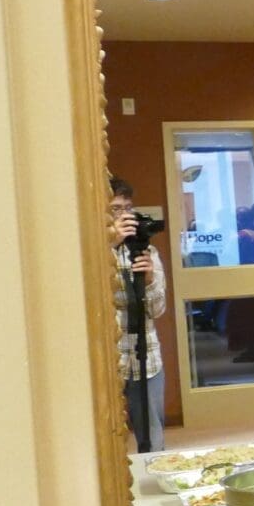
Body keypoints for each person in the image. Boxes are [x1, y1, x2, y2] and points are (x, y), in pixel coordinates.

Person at [108, 177, 168, 453]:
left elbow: (157, 310)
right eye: (116, 209)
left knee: (152, 436)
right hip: (109, 360)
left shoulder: (146, 251)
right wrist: (109, 244)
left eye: (128, 208)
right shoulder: (90, 253)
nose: (125, 215)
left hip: (147, 357)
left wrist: (150, 280)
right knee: (107, 437)